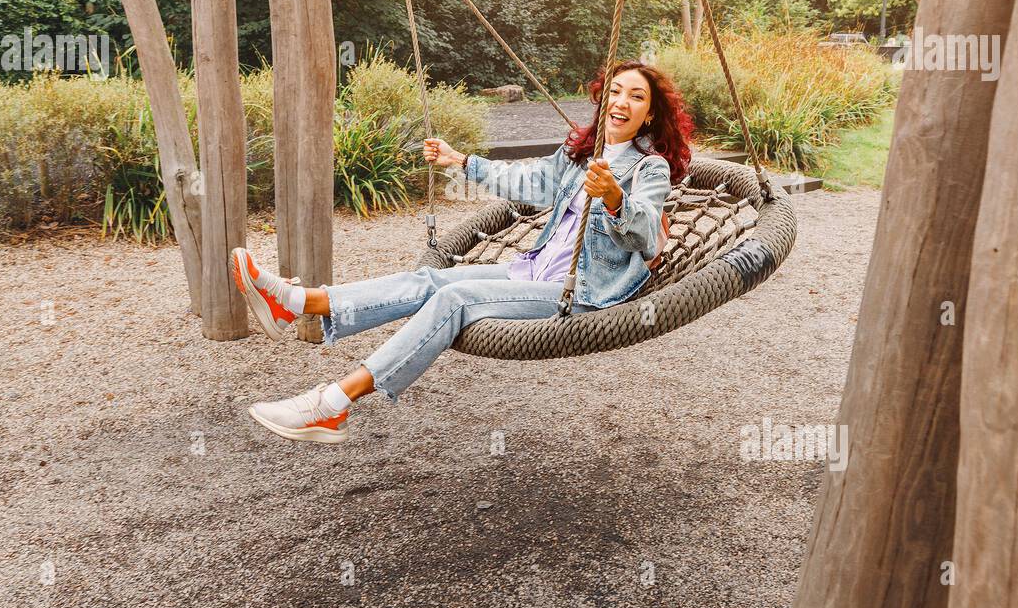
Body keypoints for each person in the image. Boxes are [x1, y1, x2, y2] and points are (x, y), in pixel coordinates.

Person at [232, 60, 695, 443]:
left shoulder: (647, 169)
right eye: (616, 91)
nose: (622, 102)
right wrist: (462, 162)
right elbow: (527, 183)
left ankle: (330, 404)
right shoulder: (579, 156)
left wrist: (614, 197)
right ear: (603, 98)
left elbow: (646, 234)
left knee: (454, 300)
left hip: (582, 293)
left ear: (649, 115)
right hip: (532, 271)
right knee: (430, 281)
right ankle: (294, 304)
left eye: (637, 96)